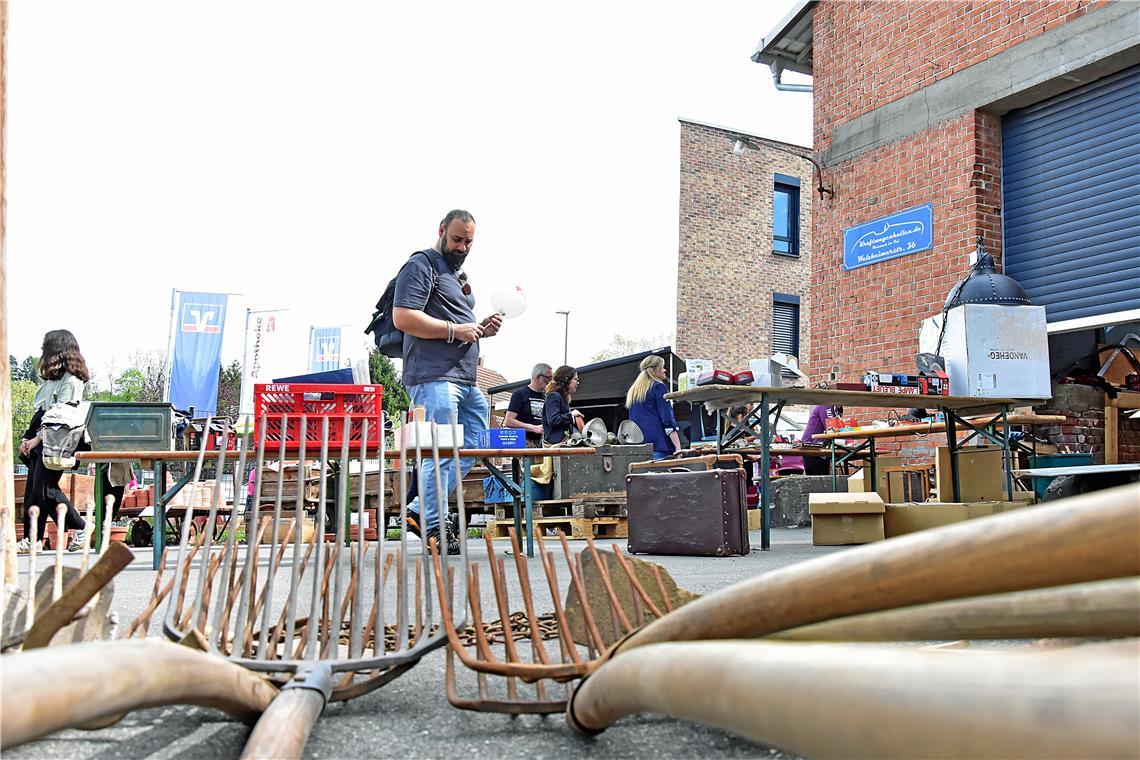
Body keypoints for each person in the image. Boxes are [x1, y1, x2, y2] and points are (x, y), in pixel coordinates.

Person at [393, 209, 503, 555]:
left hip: (465, 378)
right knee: (440, 450)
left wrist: (481, 327)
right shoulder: (421, 265)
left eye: (469, 241)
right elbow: (403, 317)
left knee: (470, 444)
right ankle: (434, 523)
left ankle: (417, 510)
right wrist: (456, 330)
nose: (462, 246)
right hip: (433, 376)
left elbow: (457, 321)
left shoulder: (458, 275)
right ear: (442, 230)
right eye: (457, 239)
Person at [17, 330, 90, 553]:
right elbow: (41, 413)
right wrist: (28, 438)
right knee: (33, 491)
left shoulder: (72, 381)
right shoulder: (51, 381)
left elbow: (61, 417)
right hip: (41, 440)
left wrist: (36, 440)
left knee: (46, 489)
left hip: (58, 441)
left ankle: (81, 527)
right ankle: (33, 538)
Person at [625, 355, 681, 460]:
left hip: (638, 446)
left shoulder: (634, 392)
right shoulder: (659, 387)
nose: (665, 370)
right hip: (658, 445)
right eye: (662, 367)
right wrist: (678, 447)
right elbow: (667, 419)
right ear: (654, 370)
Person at [504, 363, 551, 445]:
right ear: (538, 377)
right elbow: (508, 421)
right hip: (524, 444)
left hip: (543, 443)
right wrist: (533, 428)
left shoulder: (547, 397)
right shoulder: (520, 394)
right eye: (549, 378)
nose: (550, 381)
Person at [542, 365, 583, 444]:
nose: (578, 383)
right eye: (575, 379)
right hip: (554, 448)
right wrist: (571, 415)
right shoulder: (553, 396)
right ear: (566, 380)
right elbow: (553, 420)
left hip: (561, 446)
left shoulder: (562, 398)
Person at [797, 404, 842, 476]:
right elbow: (831, 428)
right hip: (811, 447)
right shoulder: (825, 406)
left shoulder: (834, 409)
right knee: (815, 479)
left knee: (823, 479)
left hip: (821, 448)